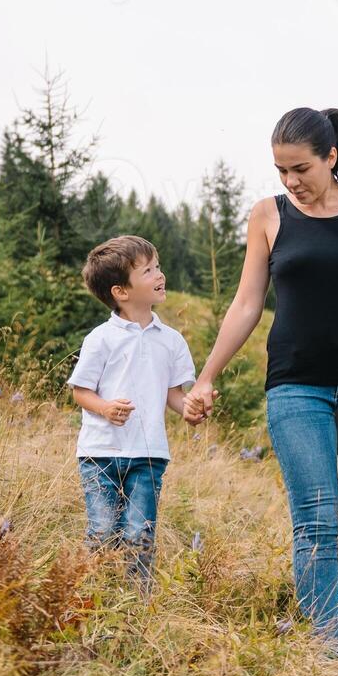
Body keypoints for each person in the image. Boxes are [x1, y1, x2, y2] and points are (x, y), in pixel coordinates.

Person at [188, 107, 338, 657]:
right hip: (296, 388)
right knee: (316, 522)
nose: (291, 181)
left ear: (331, 157)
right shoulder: (267, 216)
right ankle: (329, 655)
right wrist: (206, 376)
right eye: (280, 171)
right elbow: (248, 303)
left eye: (300, 168)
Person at [68, 234, 205, 594]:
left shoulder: (172, 340)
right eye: (148, 271)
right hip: (100, 453)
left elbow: (174, 396)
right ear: (121, 291)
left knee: (139, 532)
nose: (159, 275)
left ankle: (135, 603)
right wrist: (106, 408)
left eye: (157, 267)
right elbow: (81, 391)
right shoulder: (101, 338)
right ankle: (96, 596)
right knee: (102, 531)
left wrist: (189, 409)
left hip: (148, 454)